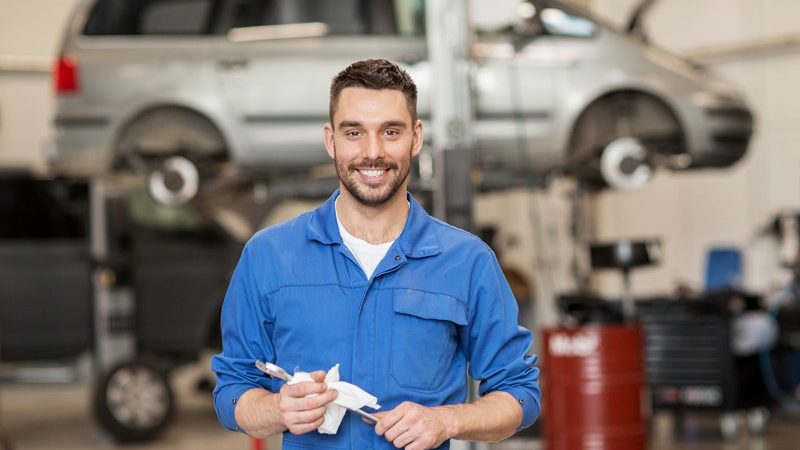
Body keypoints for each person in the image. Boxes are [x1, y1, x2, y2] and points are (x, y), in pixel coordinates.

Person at [211, 59, 540, 450]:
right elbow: (233, 391)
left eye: (390, 131)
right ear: (331, 140)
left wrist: (445, 419)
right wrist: (278, 409)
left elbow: (520, 395)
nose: (373, 152)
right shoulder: (268, 256)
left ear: (416, 138)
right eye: (354, 132)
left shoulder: (468, 262)